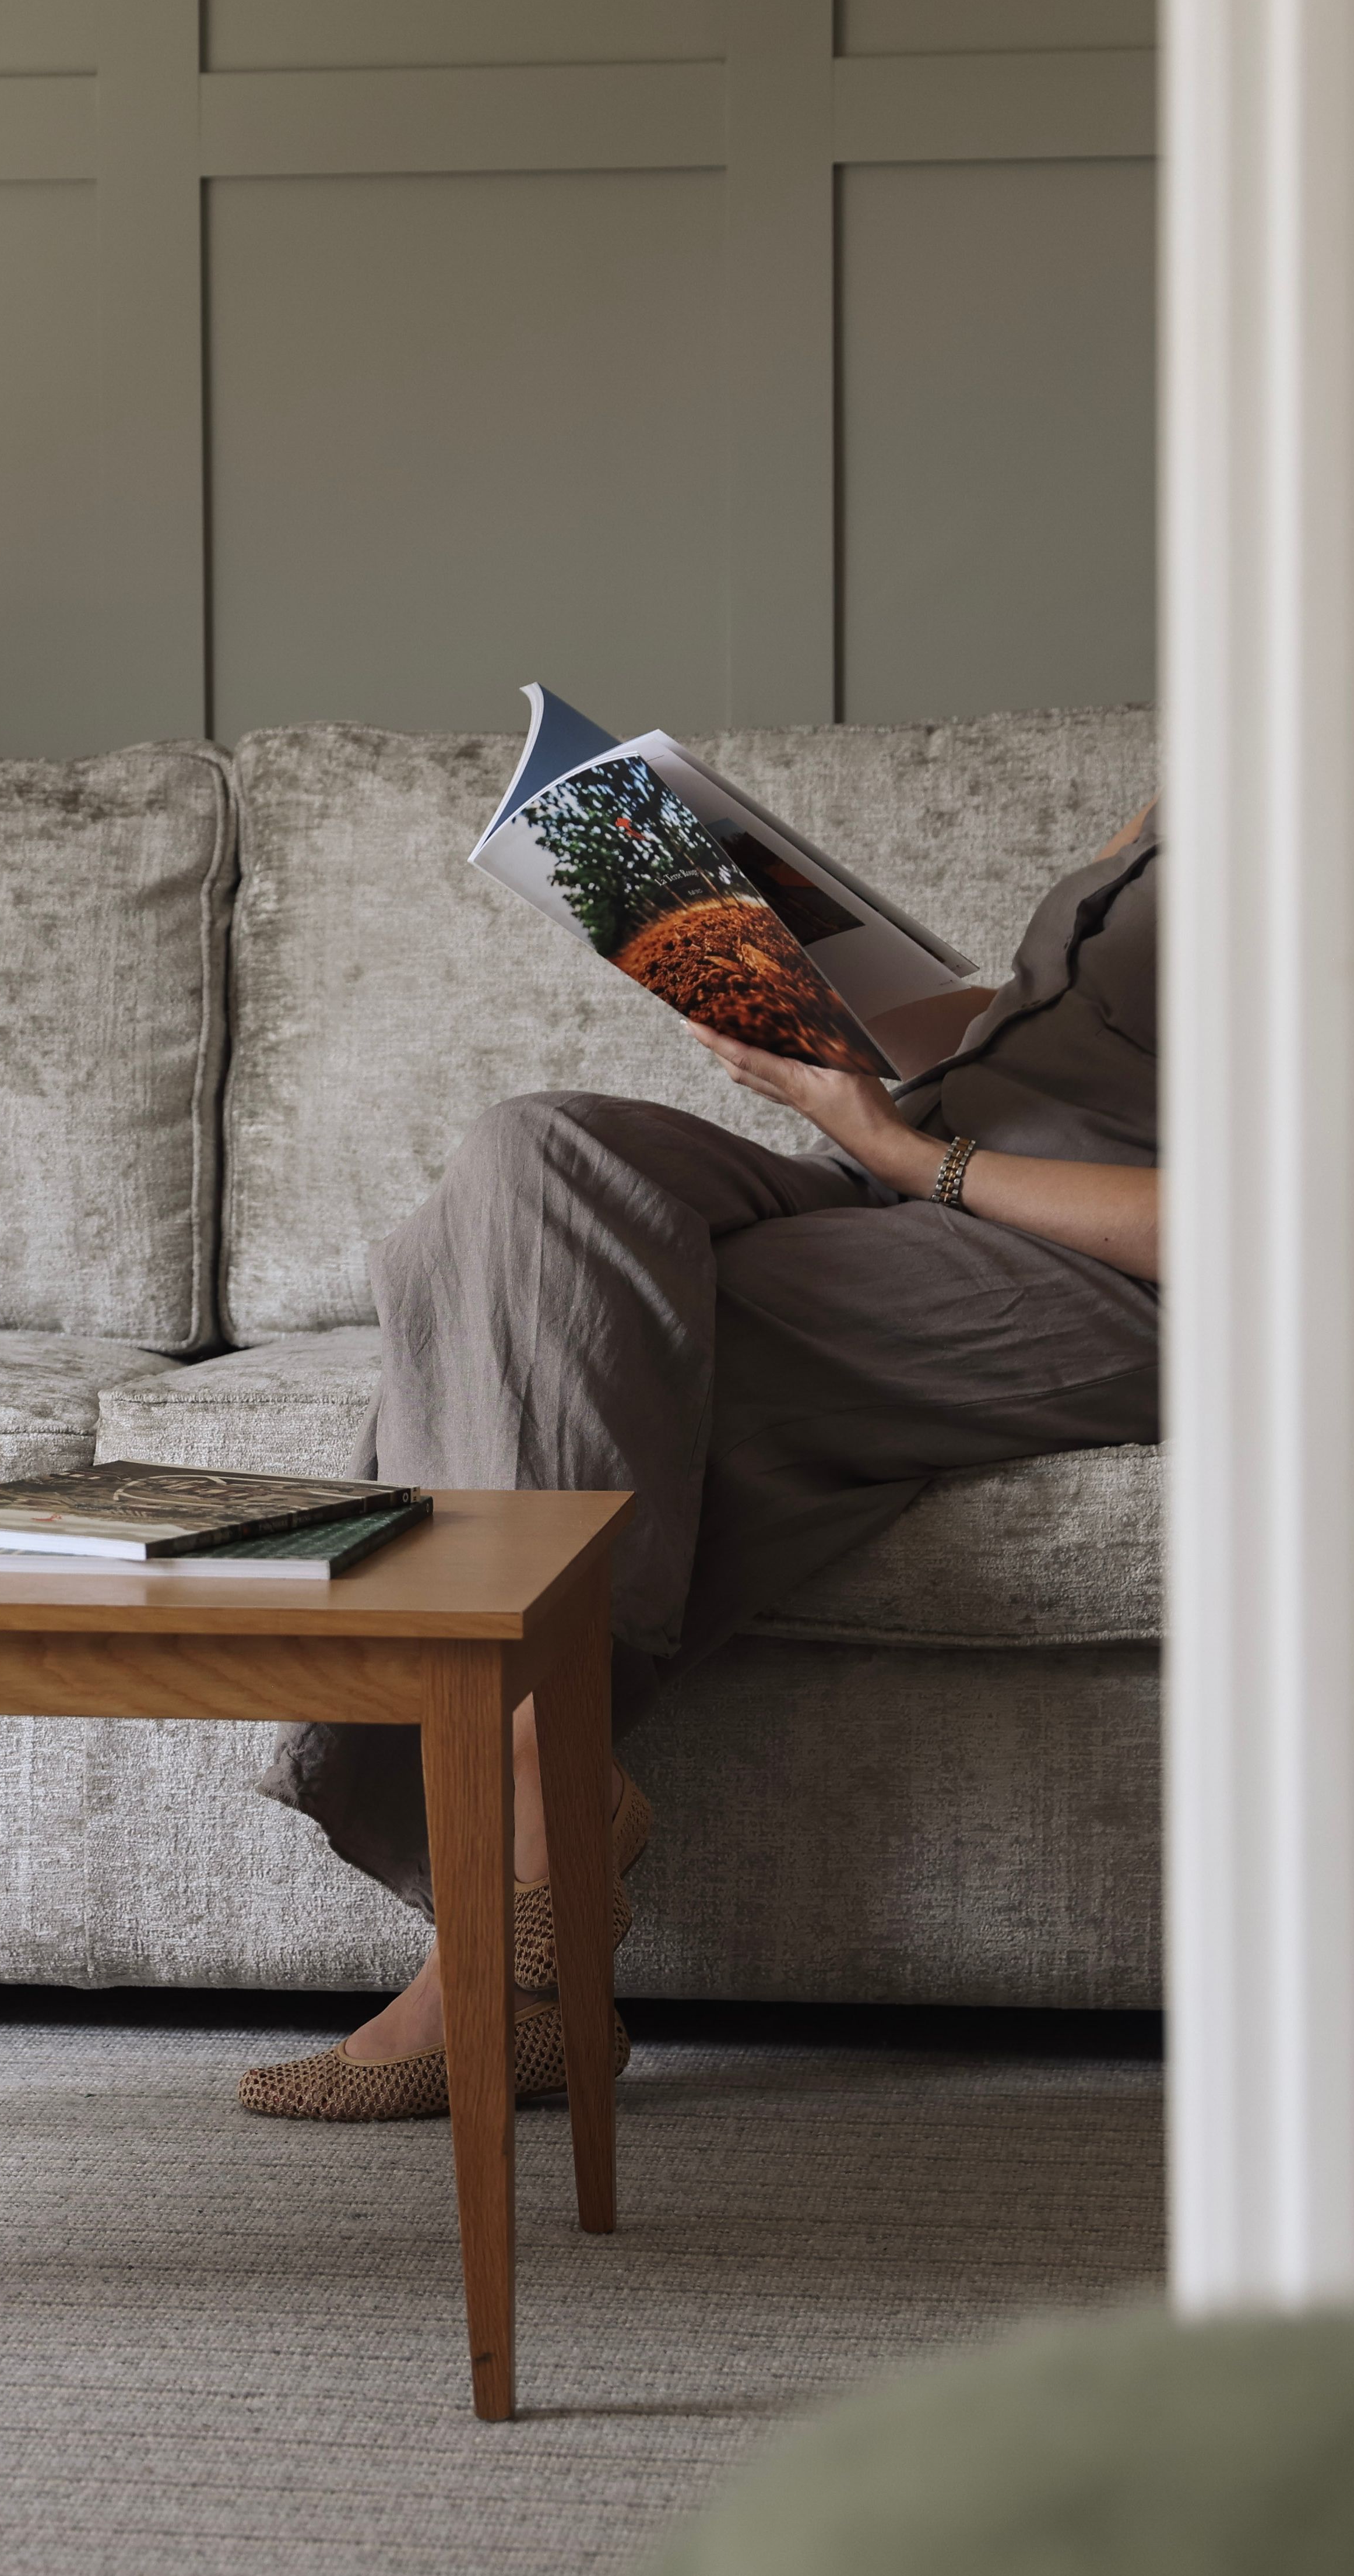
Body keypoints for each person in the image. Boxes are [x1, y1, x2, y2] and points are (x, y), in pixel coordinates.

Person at [236, 803, 1163, 2119]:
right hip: (908, 1189)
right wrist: (810, 1002)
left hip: (1103, 1270)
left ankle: (510, 1859)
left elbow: (1297, 1211)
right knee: (535, 1159)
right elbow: (1036, 1037)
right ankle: (529, 1795)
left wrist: (907, 1148)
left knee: (559, 1317)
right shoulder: (1197, 777)